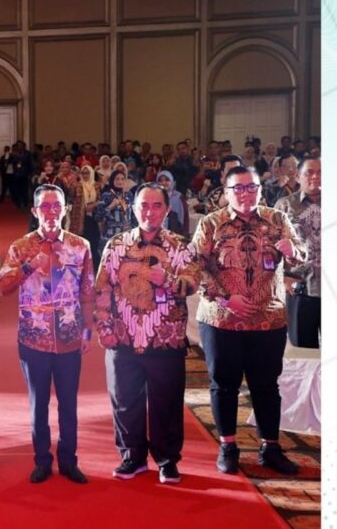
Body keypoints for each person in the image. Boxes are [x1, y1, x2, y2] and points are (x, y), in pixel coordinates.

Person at [192, 165, 306, 476]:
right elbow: (195, 267)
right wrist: (225, 297)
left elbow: (302, 254)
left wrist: (292, 249)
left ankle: (270, 446)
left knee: (267, 386)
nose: (246, 193)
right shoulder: (211, 224)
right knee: (224, 386)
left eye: (252, 187)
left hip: (268, 320)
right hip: (221, 320)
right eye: (238, 188)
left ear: (260, 189)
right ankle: (228, 445)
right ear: (226, 193)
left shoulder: (277, 219)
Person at [96, 183, 200, 484]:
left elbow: (193, 283)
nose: (149, 212)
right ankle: (132, 457)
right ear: (133, 208)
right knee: (125, 400)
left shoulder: (180, 246)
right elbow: (102, 288)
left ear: (166, 210)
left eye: (156, 206)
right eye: (143, 205)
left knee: (166, 401)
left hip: (165, 338)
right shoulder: (116, 244)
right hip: (123, 338)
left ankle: (167, 460)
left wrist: (166, 279)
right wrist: (104, 327)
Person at [0, 184, 94, 484]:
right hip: (33, 338)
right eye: (45, 207)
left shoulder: (80, 246)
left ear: (65, 209)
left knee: (69, 403)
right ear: (35, 211)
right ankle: (42, 460)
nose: (51, 212)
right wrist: (28, 267)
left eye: (57, 206)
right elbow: (3, 288)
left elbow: (87, 290)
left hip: (68, 337)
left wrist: (88, 328)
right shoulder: (20, 247)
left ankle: (69, 460)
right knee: (38, 404)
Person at [274, 158, 320, 348]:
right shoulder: (284, 206)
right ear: (298, 176)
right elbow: (270, 247)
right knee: (303, 353)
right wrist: (282, 278)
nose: (316, 176)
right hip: (300, 288)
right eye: (309, 172)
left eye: (321, 172)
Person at [94, 171, 134, 258]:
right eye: (117, 179)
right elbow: (97, 216)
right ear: (112, 181)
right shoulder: (106, 195)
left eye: (122, 179)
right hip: (110, 236)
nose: (120, 181)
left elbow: (135, 216)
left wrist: (133, 228)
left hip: (127, 237)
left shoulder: (129, 195)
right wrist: (111, 206)